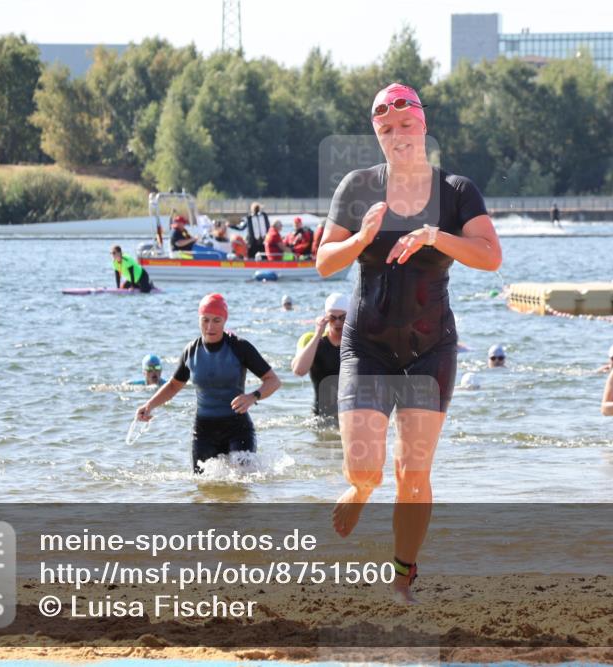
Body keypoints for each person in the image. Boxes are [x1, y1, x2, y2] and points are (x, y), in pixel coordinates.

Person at [315, 82, 502, 603]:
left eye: (405, 125)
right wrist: (360, 236)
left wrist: (434, 235)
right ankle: (359, 488)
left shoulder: (458, 191)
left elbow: (490, 256)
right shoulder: (357, 187)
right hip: (367, 343)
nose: (397, 136)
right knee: (365, 467)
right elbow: (323, 261)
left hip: (430, 348)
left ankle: (403, 574)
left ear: (423, 125)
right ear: (378, 134)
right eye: (386, 129)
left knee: (413, 475)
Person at [136, 294, 281, 473]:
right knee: (203, 490)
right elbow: (174, 385)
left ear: (224, 320)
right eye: (205, 320)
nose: (210, 326)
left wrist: (253, 396)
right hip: (204, 431)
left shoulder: (239, 347)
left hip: (237, 428)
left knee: (243, 484)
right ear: (199, 319)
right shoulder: (191, 351)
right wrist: (149, 405)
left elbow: (273, 381)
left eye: (216, 320)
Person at [291, 293, 348, 421]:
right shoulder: (310, 339)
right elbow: (299, 371)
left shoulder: (356, 342)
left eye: (343, 318)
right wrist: (318, 334)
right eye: (333, 318)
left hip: (353, 416)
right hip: (321, 418)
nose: (338, 322)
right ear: (326, 318)